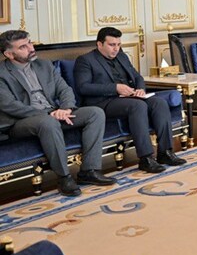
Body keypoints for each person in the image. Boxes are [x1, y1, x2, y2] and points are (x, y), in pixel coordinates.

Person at [0, 30, 116, 197]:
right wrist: (49, 114)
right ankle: (64, 177)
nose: (31, 48)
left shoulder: (44, 65)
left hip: (54, 113)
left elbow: (65, 90)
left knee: (95, 113)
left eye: (30, 43)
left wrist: (66, 108)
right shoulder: (2, 73)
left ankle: (89, 171)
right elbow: (10, 106)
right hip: (20, 121)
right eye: (23, 47)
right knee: (48, 122)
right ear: (9, 54)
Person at [74, 27, 186, 174]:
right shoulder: (86, 60)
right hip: (103, 102)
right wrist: (115, 88)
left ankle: (165, 152)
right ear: (99, 44)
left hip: (129, 97)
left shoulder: (122, 57)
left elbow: (138, 77)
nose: (116, 49)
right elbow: (83, 87)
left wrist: (140, 89)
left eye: (118, 45)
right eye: (112, 45)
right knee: (137, 106)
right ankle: (146, 158)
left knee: (159, 103)